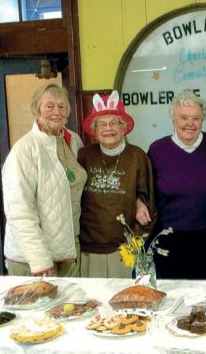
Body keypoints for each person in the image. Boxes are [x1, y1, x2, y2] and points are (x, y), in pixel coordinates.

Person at [2, 83, 87, 277]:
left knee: (70, 307)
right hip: (32, 261)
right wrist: (39, 260)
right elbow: (20, 211)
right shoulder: (24, 150)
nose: (56, 111)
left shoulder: (73, 141)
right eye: (49, 106)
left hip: (68, 253)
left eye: (62, 106)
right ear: (37, 110)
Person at [78, 90, 156, 278]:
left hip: (124, 249)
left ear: (124, 127)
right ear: (95, 131)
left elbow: (149, 201)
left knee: (125, 303)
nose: (108, 129)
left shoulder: (138, 156)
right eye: (102, 124)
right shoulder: (83, 156)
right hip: (89, 249)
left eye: (114, 123)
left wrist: (135, 241)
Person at [147, 90, 206, 279]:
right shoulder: (157, 150)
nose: (190, 123)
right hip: (169, 241)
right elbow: (145, 190)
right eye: (184, 117)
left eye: (196, 118)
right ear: (173, 120)